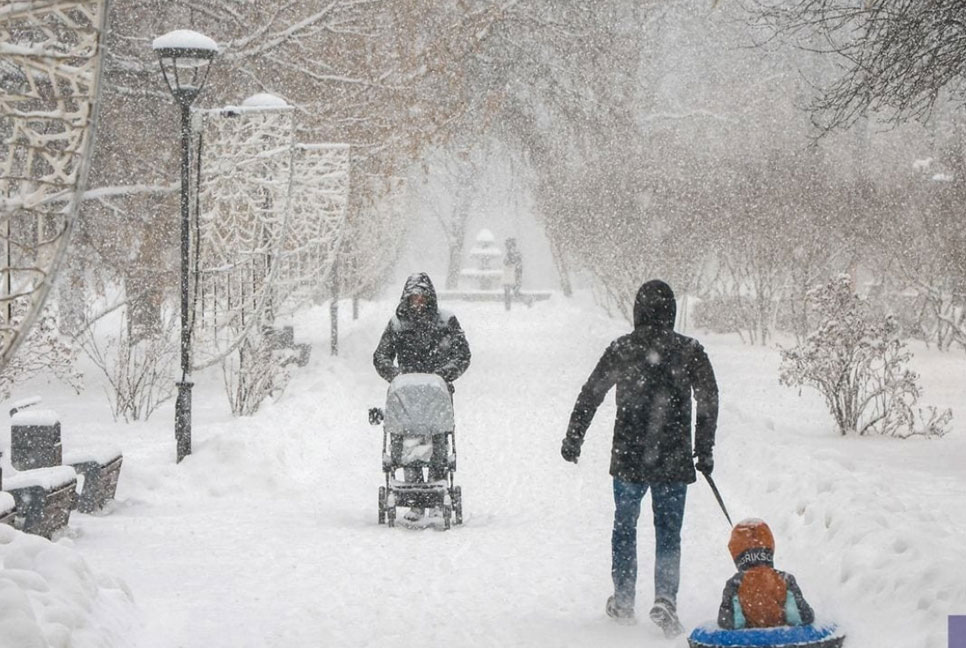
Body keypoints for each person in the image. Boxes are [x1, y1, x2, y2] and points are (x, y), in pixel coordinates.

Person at [560, 279, 718, 636]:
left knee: (624, 527)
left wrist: (574, 436)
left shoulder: (622, 348)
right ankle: (665, 599)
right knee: (668, 533)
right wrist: (704, 448)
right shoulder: (690, 350)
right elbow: (709, 398)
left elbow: (592, 393)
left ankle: (624, 598)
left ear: (637, 310)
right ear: (672, 313)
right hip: (674, 458)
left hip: (630, 457)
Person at [373, 272, 471, 520]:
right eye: (414, 298)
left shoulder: (445, 321)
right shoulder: (397, 324)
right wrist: (396, 376)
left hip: (436, 394)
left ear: (429, 299)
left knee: (437, 440)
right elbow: (381, 356)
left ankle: (437, 490)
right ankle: (416, 500)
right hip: (406, 395)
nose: (418, 302)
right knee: (409, 444)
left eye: (422, 298)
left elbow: (463, 355)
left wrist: (443, 375)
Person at [717, 518, 814, 629]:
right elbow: (802, 617)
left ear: (736, 554)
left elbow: (728, 622)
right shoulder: (785, 579)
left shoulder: (734, 584)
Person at [502, 238, 524, 310]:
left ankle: (529, 300)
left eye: (507, 245)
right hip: (510, 276)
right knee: (510, 292)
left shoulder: (514, 253)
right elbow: (506, 262)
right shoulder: (511, 253)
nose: (506, 247)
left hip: (513, 276)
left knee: (513, 292)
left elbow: (509, 263)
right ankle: (507, 308)